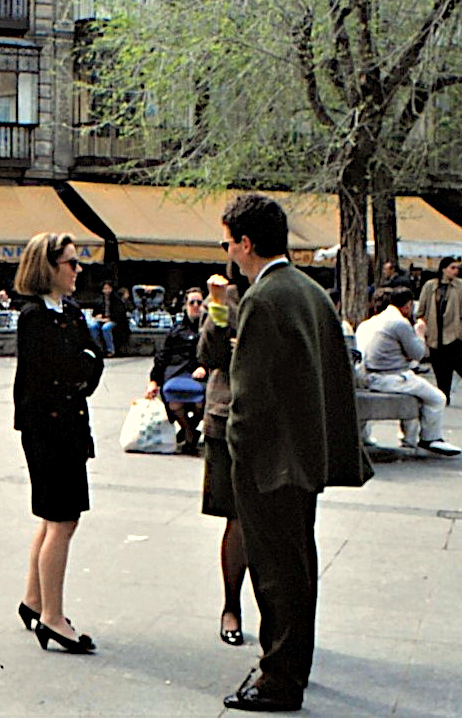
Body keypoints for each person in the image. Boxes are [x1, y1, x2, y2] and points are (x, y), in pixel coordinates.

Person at [219, 193, 372, 712]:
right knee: (297, 565)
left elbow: (250, 397)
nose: (228, 254)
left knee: (277, 571)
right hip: (303, 457)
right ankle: (290, 664)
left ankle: (280, 678)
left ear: (246, 243)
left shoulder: (264, 299)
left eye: (228, 243)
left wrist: (238, 451)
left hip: (270, 462)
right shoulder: (308, 290)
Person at [12, 231, 103, 655]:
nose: (77, 269)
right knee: (62, 519)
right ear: (48, 268)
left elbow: (93, 360)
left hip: (67, 426)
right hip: (48, 431)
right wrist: (80, 365)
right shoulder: (34, 316)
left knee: (55, 519)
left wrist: (81, 366)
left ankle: (35, 600)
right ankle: (52, 617)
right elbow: (63, 368)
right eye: (70, 262)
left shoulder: (68, 311)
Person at [195, 265, 250, 648]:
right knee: (237, 518)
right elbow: (210, 354)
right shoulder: (224, 296)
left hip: (272, 418)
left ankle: (276, 617)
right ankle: (231, 606)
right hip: (226, 416)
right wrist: (216, 308)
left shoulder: (278, 289)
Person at [356, 288, 462, 456]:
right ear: (408, 305)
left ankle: (371, 436)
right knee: (437, 398)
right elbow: (418, 354)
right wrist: (420, 333)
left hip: (366, 375)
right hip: (390, 377)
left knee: (416, 393)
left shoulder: (372, 322)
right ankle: (430, 438)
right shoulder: (399, 323)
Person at [146, 287, 208, 454]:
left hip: (200, 374)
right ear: (185, 306)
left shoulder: (209, 330)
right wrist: (153, 381)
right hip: (175, 372)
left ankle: (190, 429)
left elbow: (216, 353)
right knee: (174, 400)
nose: (195, 306)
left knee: (200, 403)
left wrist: (204, 367)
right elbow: (162, 357)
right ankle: (188, 432)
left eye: (199, 302)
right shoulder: (175, 330)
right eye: (191, 302)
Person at [416, 257, 462, 405]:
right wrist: (420, 321)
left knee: (457, 363)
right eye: (452, 268)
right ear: (443, 269)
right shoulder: (430, 286)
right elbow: (422, 307)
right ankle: (444, 395)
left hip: (454, 331)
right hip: (434, 331)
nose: (455, 271)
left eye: (457, 268)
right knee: (438, 365)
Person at [85, 280, 125, 357]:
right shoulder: (100, 300)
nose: (107, 291)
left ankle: (110, 350)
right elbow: (95, 313)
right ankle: (98, 348)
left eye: (108, 288)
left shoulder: (117, 301)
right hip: (102, 320)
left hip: (113, 320)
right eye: (105, 289)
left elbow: (119, 315)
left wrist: (109, 318)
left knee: (106, 328)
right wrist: (98, 316)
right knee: (92, 326)